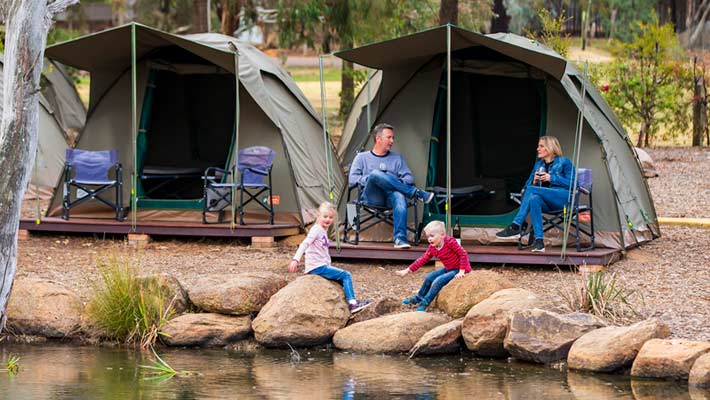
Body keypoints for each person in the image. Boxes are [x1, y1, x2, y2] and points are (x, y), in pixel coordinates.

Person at [348, 123, 434, 249]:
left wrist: (390, 180)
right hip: (372, 197)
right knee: (375, 174)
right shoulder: (361, 157)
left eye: (393, 138)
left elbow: (409, 177)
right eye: (389, 137)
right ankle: (416, 193)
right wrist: (375, 178)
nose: (392, 141)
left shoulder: (397, 158)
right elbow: (352, 179)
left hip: (391, 197)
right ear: (378, 139)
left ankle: (400, 239)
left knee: (399, 195)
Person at [495, 135, 575, 252]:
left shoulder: (564, 162)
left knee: (532, 191)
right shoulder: (539, 164)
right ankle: (539, 242)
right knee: (534, 199)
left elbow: (574, 184)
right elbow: (527, 186)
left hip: (563, 200)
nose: (538, 149)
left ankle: (516, 225)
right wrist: (535, 181)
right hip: (547, 202)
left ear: (550, 148)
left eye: (541, 146)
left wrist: (551, 178)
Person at [289, 202, 371, 313]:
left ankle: (350, 301)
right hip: (316, 266)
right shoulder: (316, 229)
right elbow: (305, 244)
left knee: (341, 279)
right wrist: (296, 259)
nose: (328, 219)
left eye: (331, 217)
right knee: (346, 275)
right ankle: (353, 304)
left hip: (322, 265)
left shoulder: (323, 230)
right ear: (318, 216)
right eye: (325, 216)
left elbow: (323, 251)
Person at [395, 220, 471, 312]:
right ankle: (418, 298)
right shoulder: (432, 248)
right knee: (429, 277)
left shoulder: (450, 242)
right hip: (448, 268)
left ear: (442, 235)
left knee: (438, 281)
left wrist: (462, 271)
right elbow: (422, 259)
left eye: (432, 236)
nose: (429, 239)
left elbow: (463, 254)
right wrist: (407, 270)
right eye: (428, 237)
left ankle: (425, 303)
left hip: (459, 269)